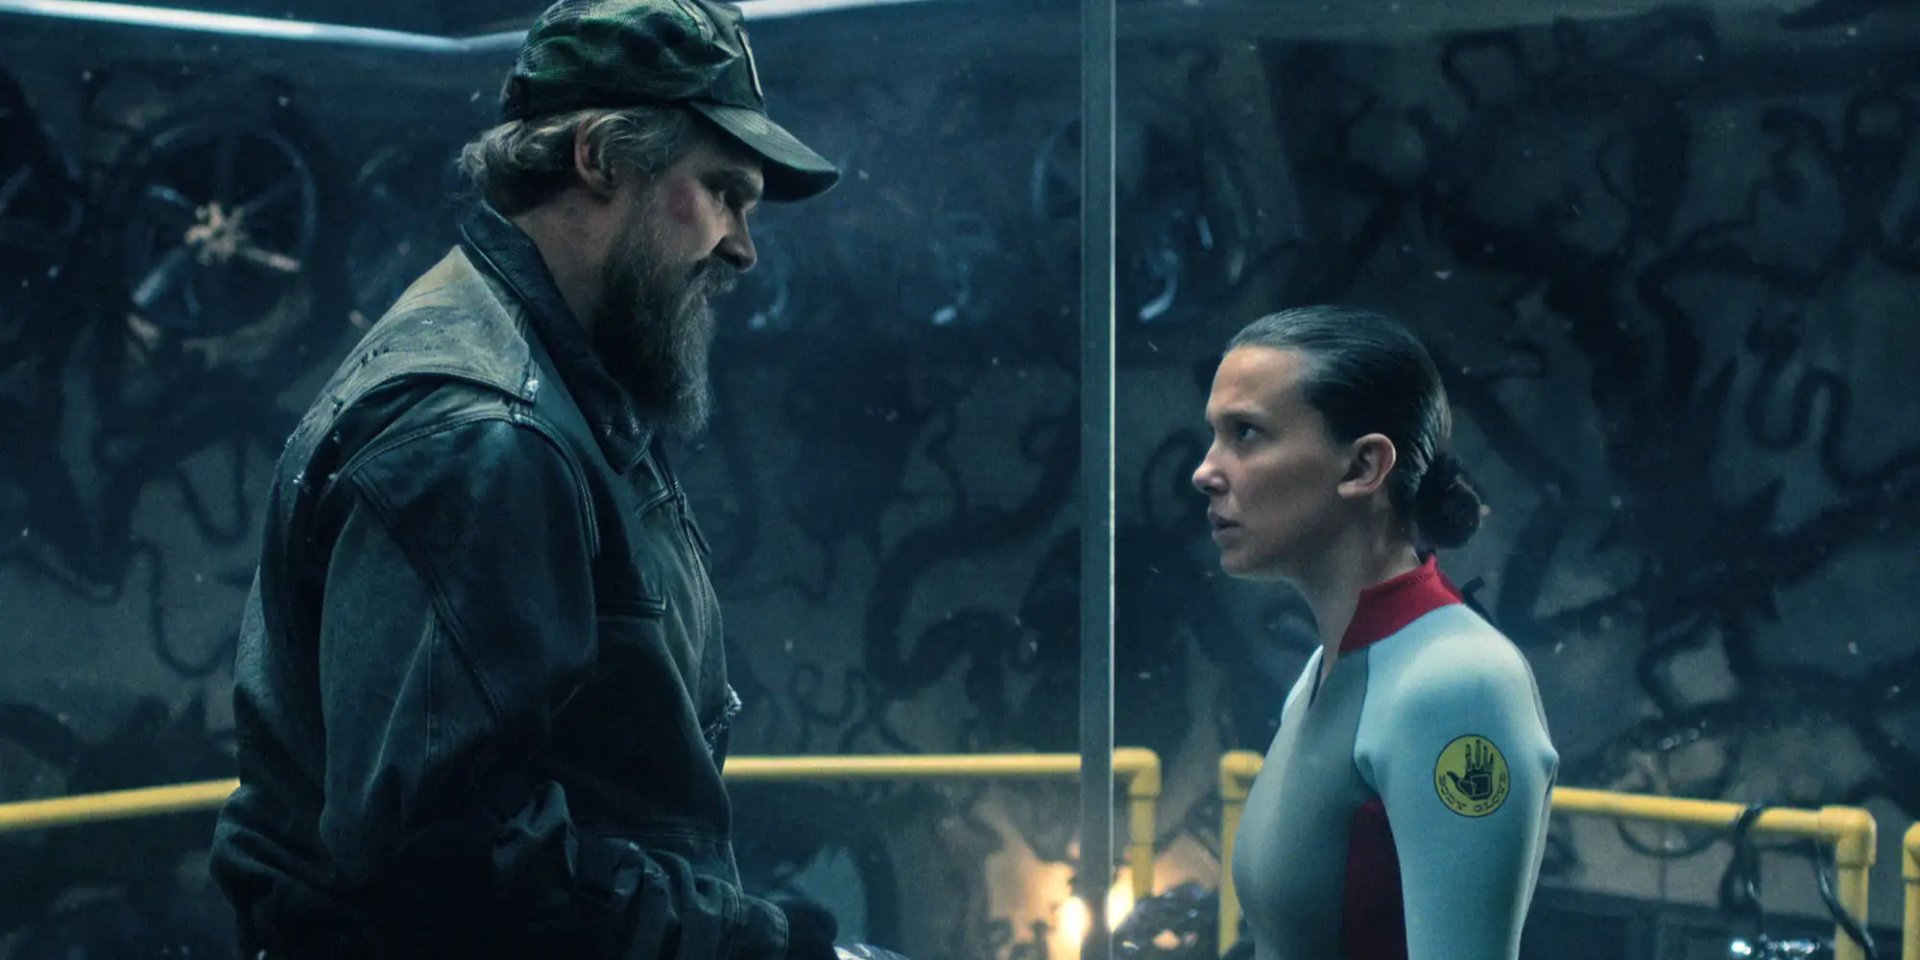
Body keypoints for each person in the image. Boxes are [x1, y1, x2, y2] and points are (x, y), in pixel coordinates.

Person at [208, 1, 843, 957]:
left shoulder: (551, 381)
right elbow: (452, 866)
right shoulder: (481, 433)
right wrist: (758, 947)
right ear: (600, 158)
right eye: (722, 192)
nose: (742, 248)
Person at [1193, 306, 1558, 960]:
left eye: (1245, 433)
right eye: (1215, 434)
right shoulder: (1325, 671)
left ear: (1364, 466)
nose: (1206, 471)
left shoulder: (1457, 685)